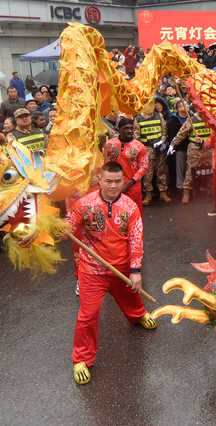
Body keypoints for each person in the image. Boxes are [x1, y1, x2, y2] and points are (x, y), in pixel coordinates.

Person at [67, 161, 157, 385]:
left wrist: (135, 270)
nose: (114, 186)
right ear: (100, 180)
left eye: (118, 181)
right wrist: (56, 227)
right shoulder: (84, 204)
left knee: (132, 297)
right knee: (87, 315)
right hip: (92, 270)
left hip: (122, 268)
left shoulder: (130, 207)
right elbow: (68, 227)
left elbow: (136, 239)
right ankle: (81, 358)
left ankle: (137, 316)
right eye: (109, 181)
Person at [103, 118, 149, 210]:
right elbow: (102, 161)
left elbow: (144, 167)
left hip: (132, 187)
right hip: (113, 185)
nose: (129, 131)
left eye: (131, 128)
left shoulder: (139, 147)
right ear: (119, 129)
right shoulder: (110, 144)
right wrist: (101, 145)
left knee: (133, 213)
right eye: (125, 128)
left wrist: (127, 185)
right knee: (115, 214)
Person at [169, 108, 212, 204]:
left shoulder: (210, 118)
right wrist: (173, 144)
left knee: (209, 170)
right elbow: (181, 133)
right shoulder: (191, 119)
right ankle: (186, 192)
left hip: (208, 148)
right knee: (190, 171)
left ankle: (209, 190)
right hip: (195, 149)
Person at [133, 99, 171, 205]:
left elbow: (164, 131)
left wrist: (162, 142)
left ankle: (163, 193)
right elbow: (137, 136)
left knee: (161, 172)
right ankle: (148, 195)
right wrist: (142, 150)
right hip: (147, 149)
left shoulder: (159, 116)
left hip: (159, 149)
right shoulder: (138, 118)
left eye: (152, 105)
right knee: (148, 173)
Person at [166, 100, 191, 192]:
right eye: (185, 105)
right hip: (180, 148)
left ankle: (189, 187)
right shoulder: (173, 120)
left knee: (190, 169)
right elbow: (172, 135)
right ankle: (180, 187)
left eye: (188, 104)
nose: (188, 106)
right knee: (180, 168)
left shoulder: (191, 117)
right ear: (179, 108)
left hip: (191, 148)